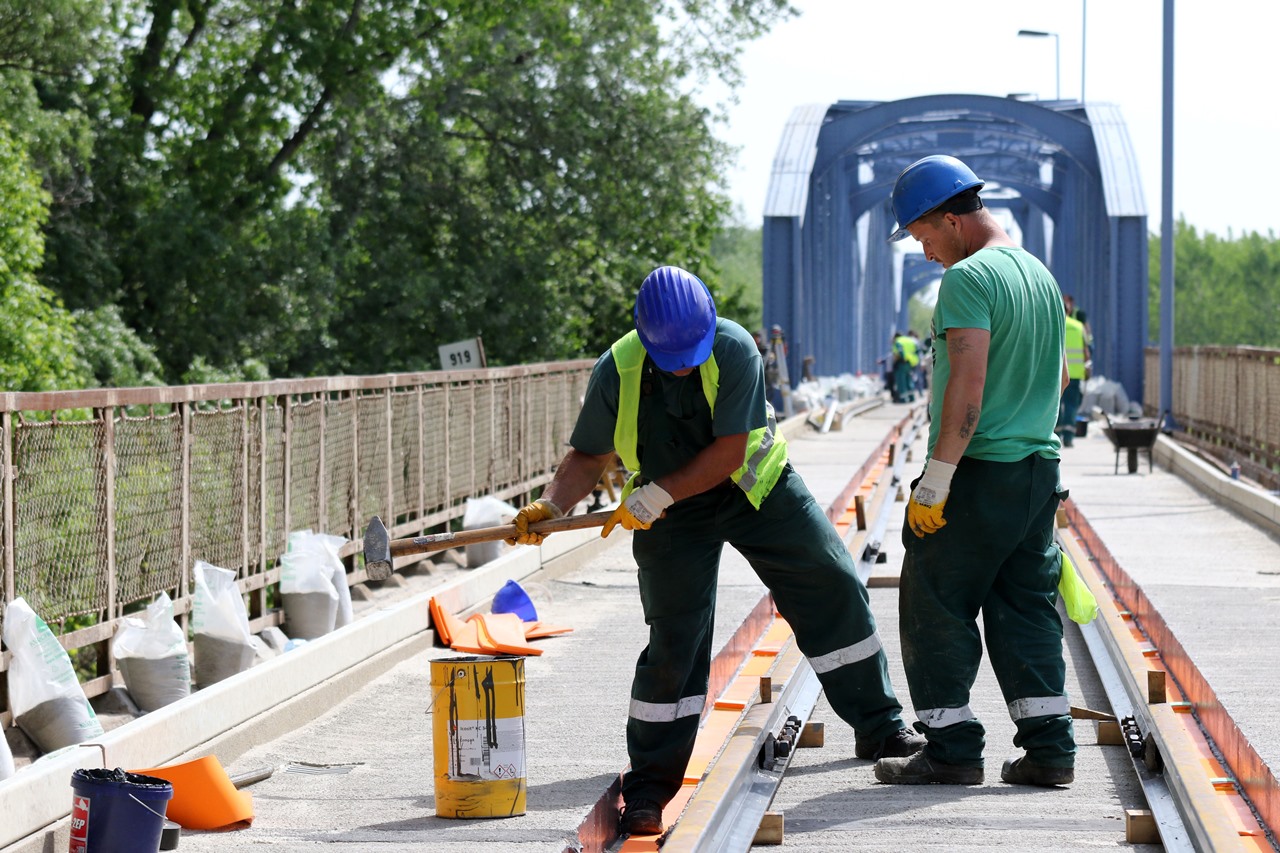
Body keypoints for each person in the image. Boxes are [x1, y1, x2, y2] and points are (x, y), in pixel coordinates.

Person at [505, 265, 922, 834]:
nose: (685, 363)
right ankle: (650, 786)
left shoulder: (734, 349)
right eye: (673, 356)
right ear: (646, 341)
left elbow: (730, 450)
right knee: (675, 636)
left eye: (692, 352)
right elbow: (587, 455)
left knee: (830, 581)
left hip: (754, 486)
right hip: (669, 510)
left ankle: (880, 723)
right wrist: (553, 505)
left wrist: (660, 492)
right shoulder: (618, 368)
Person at [875, 154, 1076, 787]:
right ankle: (1050, 751)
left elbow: (967, 382)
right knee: (1025, 607)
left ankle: (952, 748)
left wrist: (936, 478)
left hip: (979, 474)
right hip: (1037, 471)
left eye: (923, 235)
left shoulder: (969, 279)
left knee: (935, 600)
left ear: (950, 219)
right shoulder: (1039, 276)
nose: (925, 251)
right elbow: (1061, 377)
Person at [1057, 297, 1090, 447]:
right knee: (1071, 405)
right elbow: (1086, 352)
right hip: (1075, 373)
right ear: (1069, 311)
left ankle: (1055, 435)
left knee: (1055, 404)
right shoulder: (1079, 327)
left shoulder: (1053, 324)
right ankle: (1069, 437)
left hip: (1055, 373)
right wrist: (1087, 369)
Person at [891, 330, 919, 403]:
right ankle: (911, 397)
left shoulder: (898, 341)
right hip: (910, 363)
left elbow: (899, 352)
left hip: (901, 363)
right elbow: (917, 350)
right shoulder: (910, 340)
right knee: (909, 380)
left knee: (901, 382)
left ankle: (903, 399)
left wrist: (901, 358)